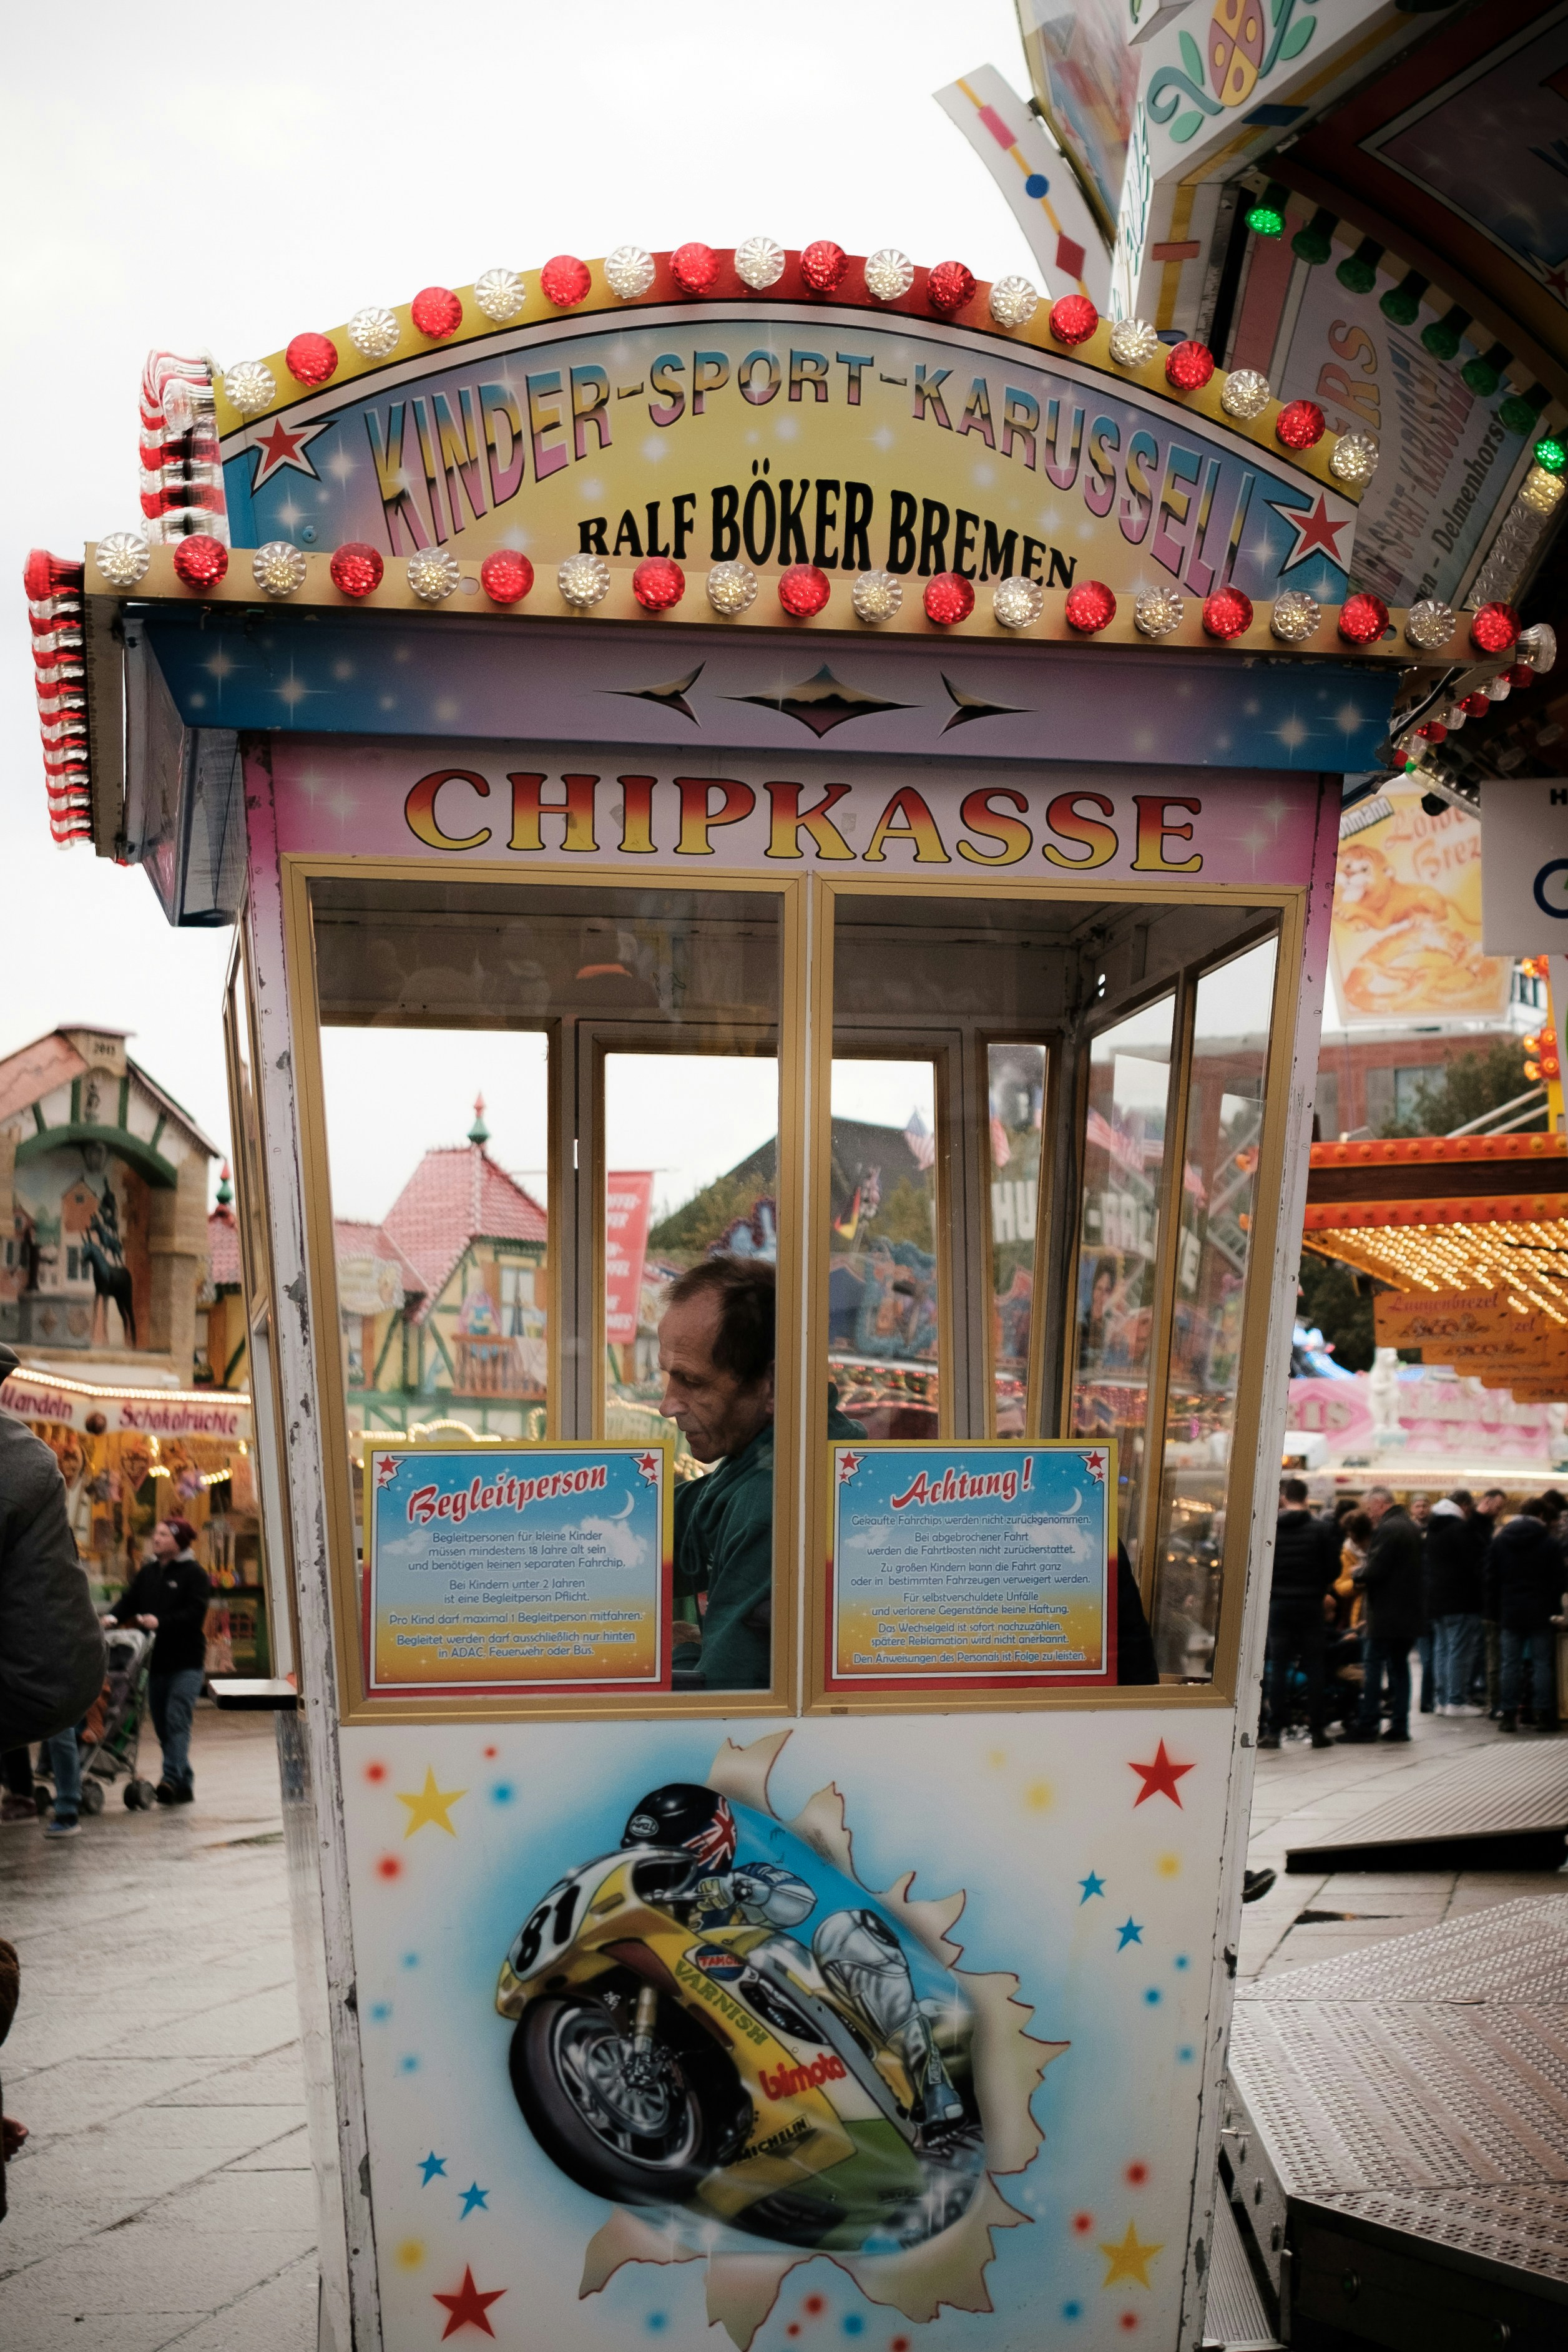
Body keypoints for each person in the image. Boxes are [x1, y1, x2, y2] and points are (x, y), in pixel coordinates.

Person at [658, 1254, 1157, 1692]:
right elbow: (675, 1526)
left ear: (774, 1386)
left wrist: (677, 1649)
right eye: (668, 1376)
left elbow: (725, 1708)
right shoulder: (787, 1458)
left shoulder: (777, 1496)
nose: (667, 1405)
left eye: (691, 1381)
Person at [620, 1783, 965, 2132]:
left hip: (798, 2005)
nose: (648, 1869)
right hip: (736, 2043)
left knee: (845, 1930)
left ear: (707, 1845)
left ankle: (933, 2084)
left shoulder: (746, 1881)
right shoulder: (647, 1920)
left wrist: (745, 1890)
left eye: (659, 1858)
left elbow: (800, 1902)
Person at [110, 1516, 210, 1803]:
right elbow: (129, 1600)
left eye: (164, 1535)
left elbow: (194, 1614)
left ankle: (170, 1778)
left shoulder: (194, 1575)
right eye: (156, 1533)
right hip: (154, 1665)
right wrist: (112, 1617)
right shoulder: (148, 1574)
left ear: (178, 1542)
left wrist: (160, 1621)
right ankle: (184, 1783)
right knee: (163, 1726)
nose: (156, 1539)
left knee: (177, 1718)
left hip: (186, 1663)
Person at [1258, 1478, 1339, 1748]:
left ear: (1283, 1497)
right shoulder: (1321, 1529)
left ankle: (1273, 1731)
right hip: (1311, 1605)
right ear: (1306, 1497)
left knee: (1279, 1667)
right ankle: (1317, 1730)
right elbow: (1333, 1570)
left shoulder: (1270, 1528)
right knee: (1315, 1665)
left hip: (1279, 1605)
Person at [1340, 1486, 1422, 1742]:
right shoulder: (1409, 1525)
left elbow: (1376, 1570)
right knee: (1399, 1667)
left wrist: (1358, 1573)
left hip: (1386, 1613)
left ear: (1379, 1504)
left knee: (1374, 1666)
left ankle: (1368, 1724)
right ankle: (1400, 1724)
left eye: (1369, 1508)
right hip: (1408, 1611)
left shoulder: (1388, 1528)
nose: (1369, 1514)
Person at [1484, 1497, 1563, 1733]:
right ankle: (1543, 1714)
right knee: (1541, 1664)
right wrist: (1553, 1608)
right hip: (1541, 1611)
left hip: (1510, 1611)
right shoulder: (1549, 1543)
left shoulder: (1500, 1542)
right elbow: (1559, 1580)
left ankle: (1509, 1715)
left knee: (1510, 1664)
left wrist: (1494, 1611)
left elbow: (1490, 1578)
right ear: (1541, 1516)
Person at [1425, 1495, 1485, 1718]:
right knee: (1459, 1651)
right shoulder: (1460, 1529)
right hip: (1460, 1599)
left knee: (1441, 1650)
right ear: (1465, 1506)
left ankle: (1442, 1700)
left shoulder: (1434, 1528)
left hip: (1436, 1600)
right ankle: (1456, 1701)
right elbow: (1475, 1563)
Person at [1475, 1487, 1509, 1714]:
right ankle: (1511, 1704)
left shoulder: (1491, 1550)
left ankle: (1495, 1703)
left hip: (1490, 1610)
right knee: (1510, 1659)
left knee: (1494, 1658)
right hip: (1510, 1611)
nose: (1498, 1513)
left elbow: (1487, 1578)